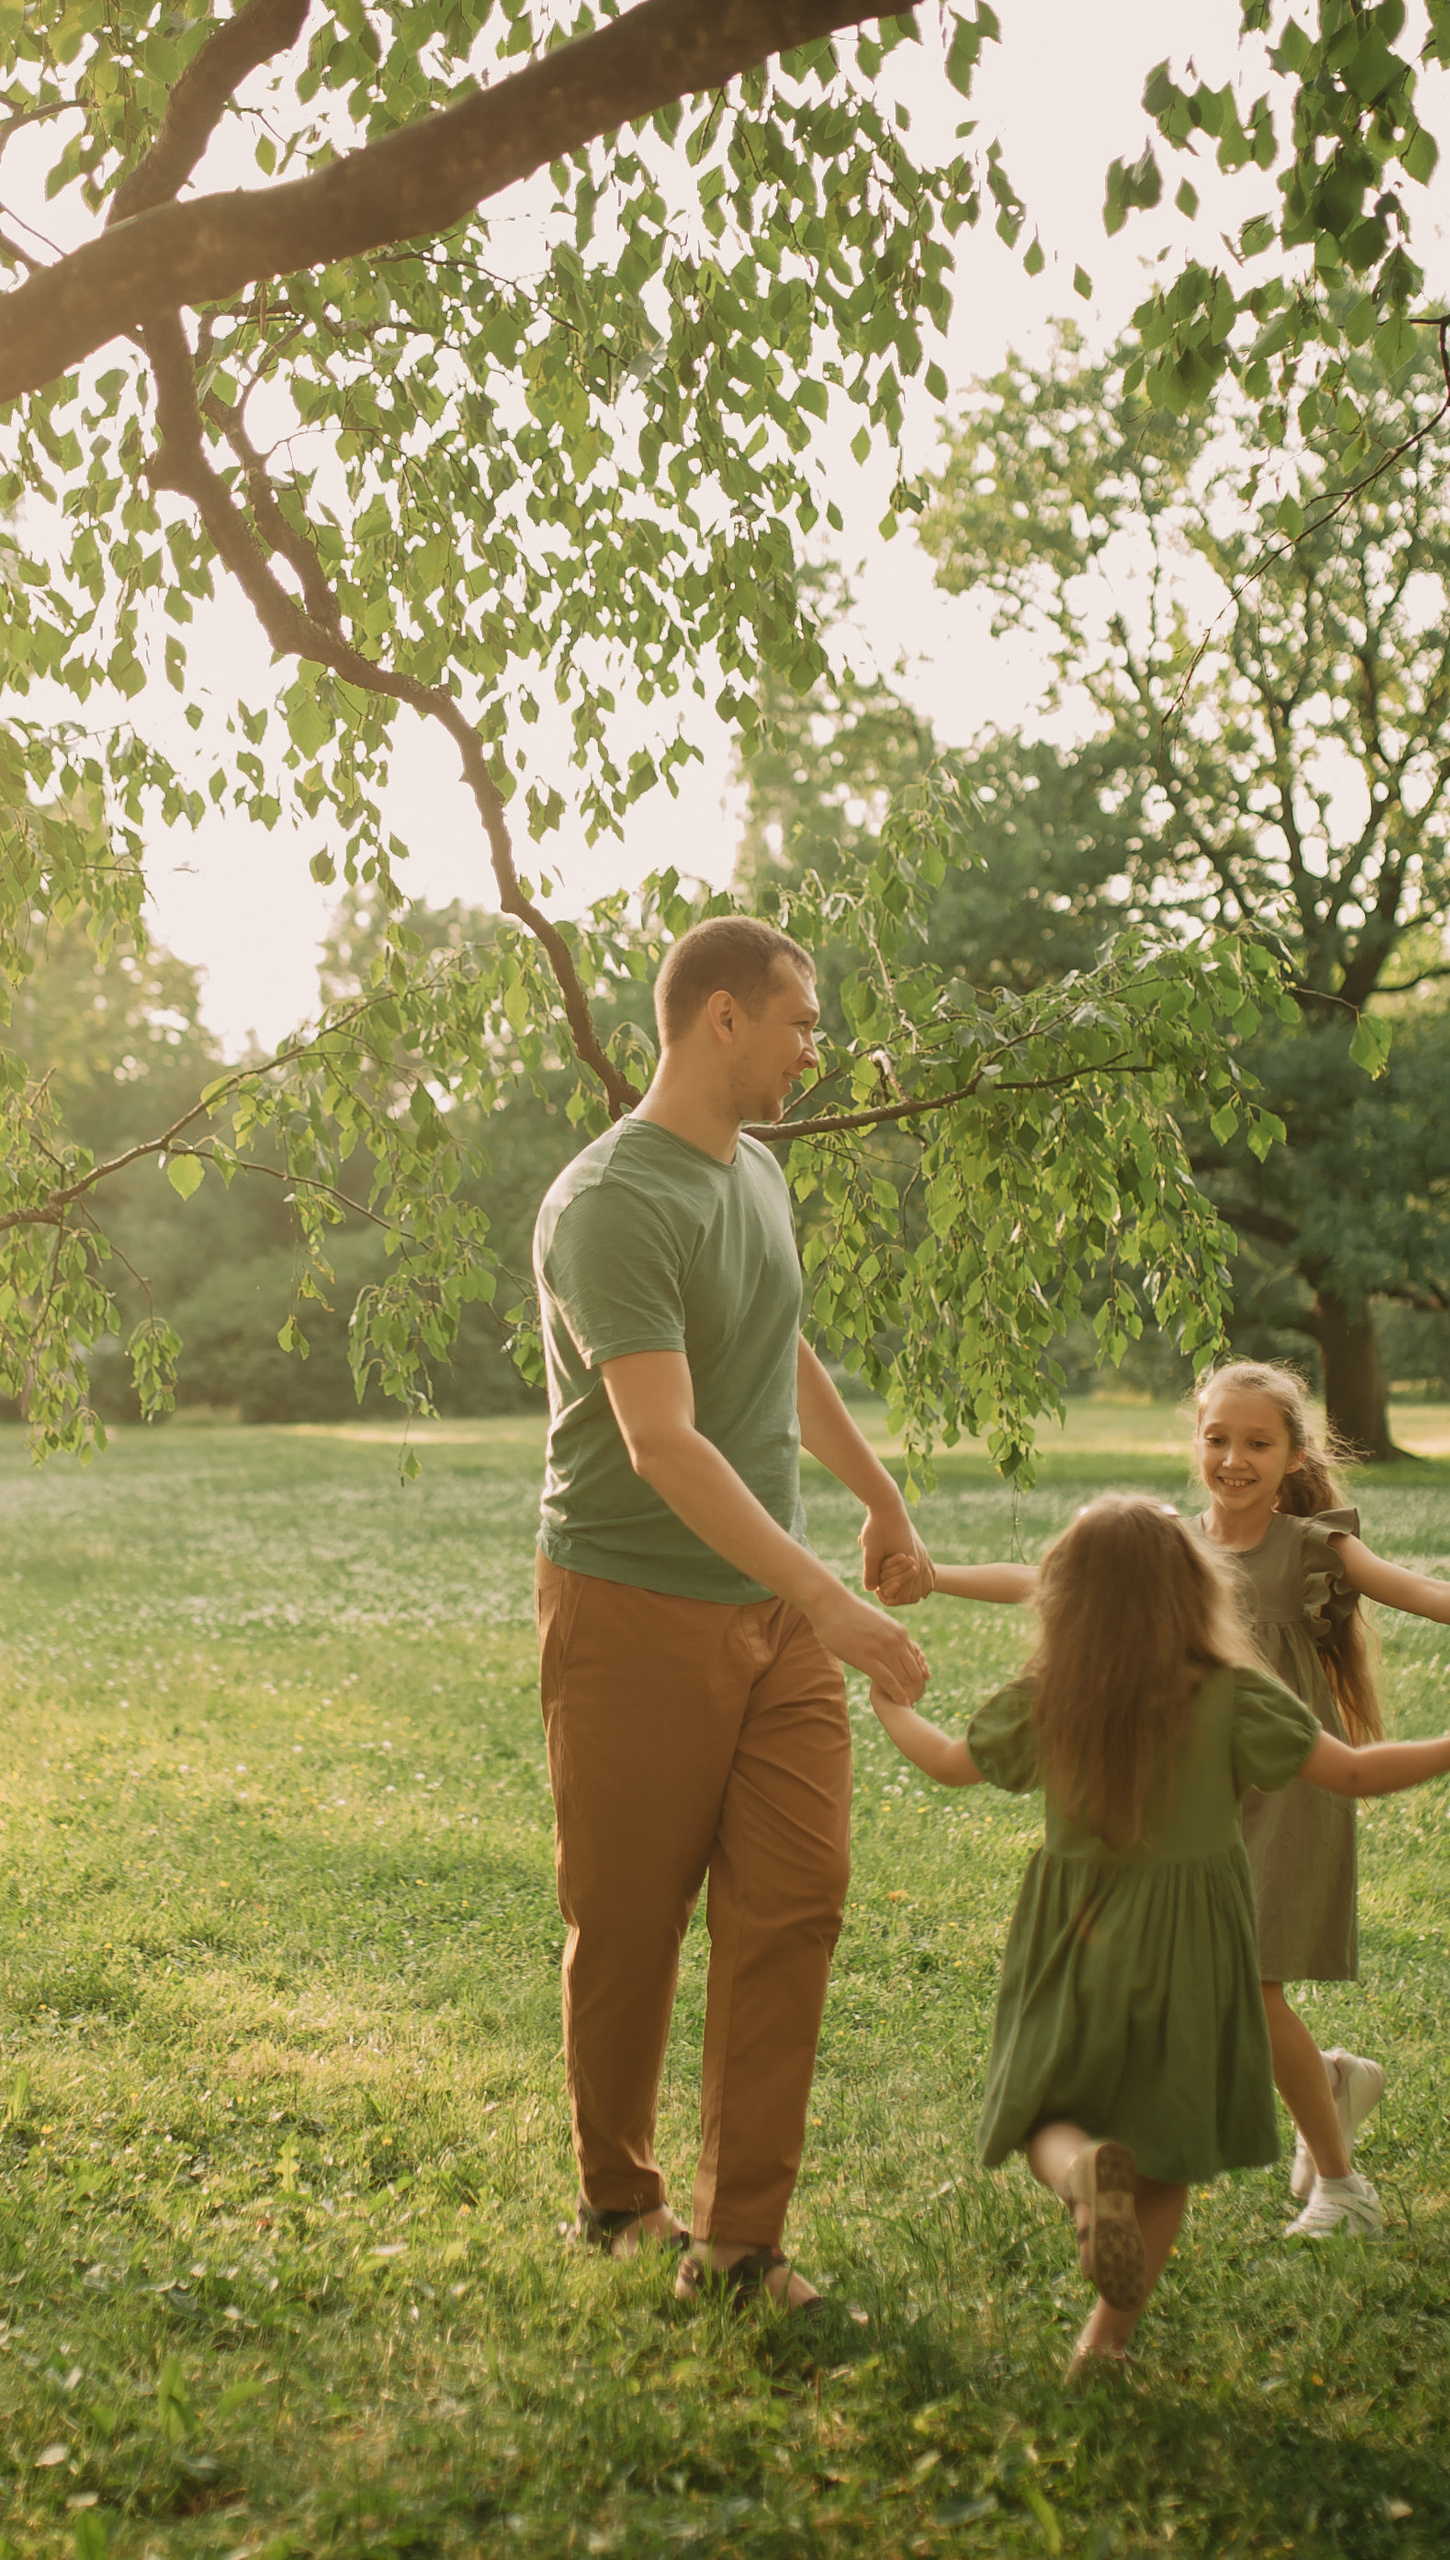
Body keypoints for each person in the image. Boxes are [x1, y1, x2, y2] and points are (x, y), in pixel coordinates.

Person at [884, 1358, 1450, 2238]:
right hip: (1193, 1791)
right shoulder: (1173, 1549)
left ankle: (1344, 2187)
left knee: (1249, 1982)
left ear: (1293, 1453)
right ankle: (1332, 2086)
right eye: (1217, 1439)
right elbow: (1045, 1581)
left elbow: (1428, 1593)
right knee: (1234, 1985)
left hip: (1287, 1777)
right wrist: (935, 1578)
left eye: (1258, 1443)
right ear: (1195, 1442)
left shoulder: (1315, 1547)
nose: (1234, 1459)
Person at [532, 913, 935, 2314]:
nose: (813, 1052)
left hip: (773, 1616)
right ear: (719, 1017)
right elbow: (664, 1442)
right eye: (800, 1023)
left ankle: (742, 2240)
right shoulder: (611, 1206)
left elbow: (782, 1346)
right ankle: (616, 2199)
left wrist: (876, 1495)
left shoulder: (756, 1176)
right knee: (630, 1918)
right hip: (632, 1601)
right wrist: (826, 1598)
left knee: (796, 1899)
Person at [866, 1493, 1450, 2372]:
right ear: (1196, 1594)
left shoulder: (1050, 1698)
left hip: (1075, 1941)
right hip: (1194, 1949)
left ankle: (1079, 2175)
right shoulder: (1236, 1696)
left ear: (1065, 1601)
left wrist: (889, 1703)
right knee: (1167, 2152)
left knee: (1051, 2113)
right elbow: (1351, 1772)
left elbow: (945, 1763)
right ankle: (1106, 2341)